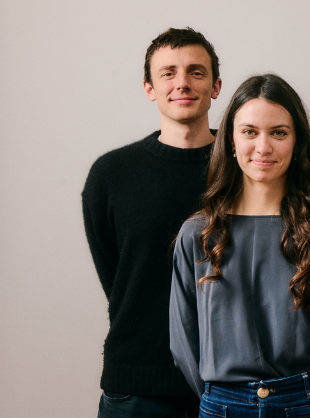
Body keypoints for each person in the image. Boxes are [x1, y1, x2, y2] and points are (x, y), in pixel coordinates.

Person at [169, 73, 310, 417]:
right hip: (223, 406)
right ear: (231, 141)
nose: (263, 147)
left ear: (297, 143)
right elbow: (183, 342)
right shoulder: (197, 234)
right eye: (249, 132)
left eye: (278, 132)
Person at [82, 27, 222, 417]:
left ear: (215, 86)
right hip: (138, 387)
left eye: (196, 71)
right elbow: (120, 280)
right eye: (168, 73)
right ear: (149, 87)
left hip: (235, 385)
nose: (182, 82)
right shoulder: (112, 174)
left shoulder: (248, 166)